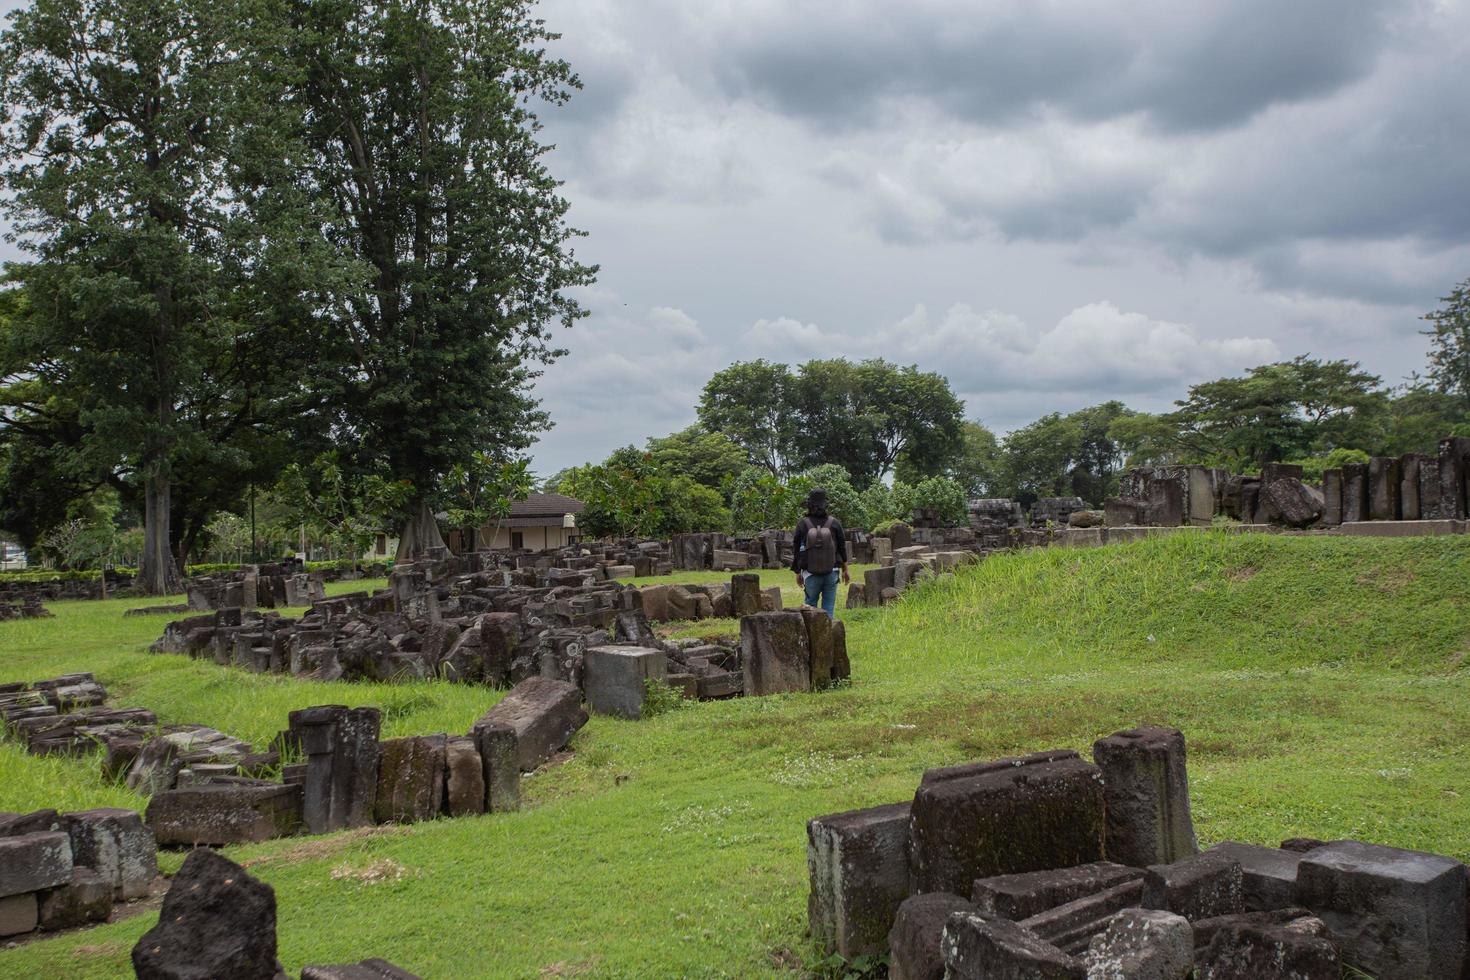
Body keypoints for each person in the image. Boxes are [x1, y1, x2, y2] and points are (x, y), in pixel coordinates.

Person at [792, 488, 850, 618]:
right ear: (825, 504)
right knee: (828, 608)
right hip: (832, 571)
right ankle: (828, 636)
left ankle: (812, 637)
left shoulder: (802, 524)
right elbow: (842, 547)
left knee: (810, 607)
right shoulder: (834, 523)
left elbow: (796, 550)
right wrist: (845, 570)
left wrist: (797, 573)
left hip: (810, 573)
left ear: (809, 505)